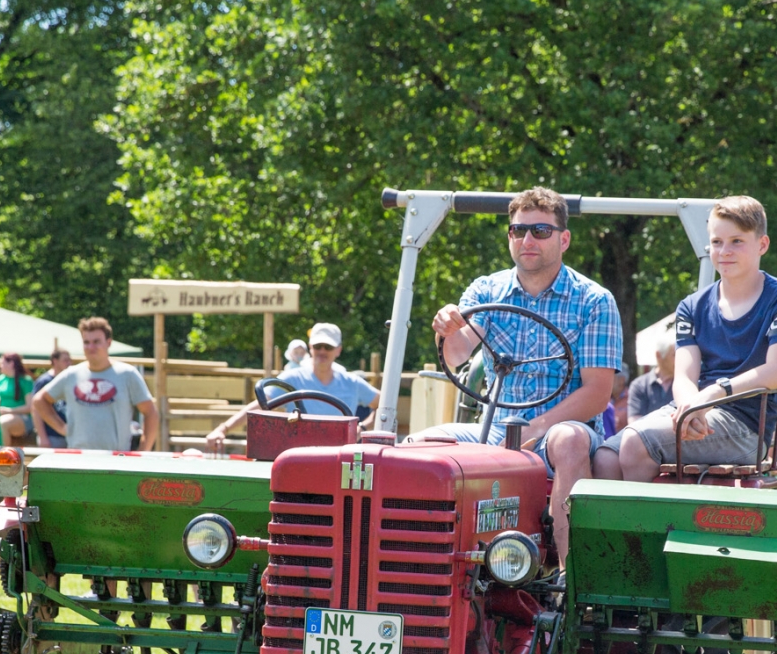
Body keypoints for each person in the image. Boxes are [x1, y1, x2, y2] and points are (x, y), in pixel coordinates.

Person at [420, 187, 622, 559]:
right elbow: (457, 353)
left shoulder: (594, 300)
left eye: (541, 231)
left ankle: (570, 576)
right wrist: (446, 328)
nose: (528, 240)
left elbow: (597, 394)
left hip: (562, 432)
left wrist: (535, 428)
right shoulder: (487, 289)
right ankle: (423, 568)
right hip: (495, 429)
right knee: (421, 446)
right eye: (518, 230)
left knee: (568, 440)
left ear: (564, 239)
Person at [596, 196, 777, 487]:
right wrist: (690, 410)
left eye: (737, 241)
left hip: (747, 426)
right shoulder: (691, 306)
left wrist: (711, 395)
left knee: (636, 443)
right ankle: (618, 520)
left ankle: (643, 519)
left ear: (762, 244)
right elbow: (683, 377)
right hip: (696, 409)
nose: (725, 251)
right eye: (717, 242)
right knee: (605, 456)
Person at [207, 323, 378, 448]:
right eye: (318, 346)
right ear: (310, 347)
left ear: (338, 349)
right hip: (300, 457)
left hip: (341, 460)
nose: (322, 351)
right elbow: (260, 405)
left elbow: (384, 405)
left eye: (328, 347)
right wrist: (223, 429)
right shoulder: (292, 378)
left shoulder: (352, 382)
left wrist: (362, 428)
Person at [32, 317, 159, 454]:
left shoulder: (127, 374)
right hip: (78, 457)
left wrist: (143, 451)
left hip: (116, 458)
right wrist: (61, 428)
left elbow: (150, 412)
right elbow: (39, 400)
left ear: (108, 343)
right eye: (86, 342)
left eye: (96, 342)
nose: (91, 347)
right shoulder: (71, 375)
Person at [628, 336, 677, 422]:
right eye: (674, 355)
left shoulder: (686, 385)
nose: (680, 359)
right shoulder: (639, 385)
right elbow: (634, 422)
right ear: (658, 355)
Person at [31, 348, 73, 448]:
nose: (69, 363)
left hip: (70, 435)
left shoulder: (71, 379)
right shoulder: (44, 381)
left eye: (69, 360)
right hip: (52, 436)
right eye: (65, 360)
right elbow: (35, 409)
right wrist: (42, 437)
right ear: (55, 361)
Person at [0, 353, 31, 448]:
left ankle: (4, 454)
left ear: (11, 364)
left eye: (2, 363)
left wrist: (9, 411)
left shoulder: (26, 380)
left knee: (3, 422)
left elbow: (29, 407)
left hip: (22, 418)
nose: (0, 365)